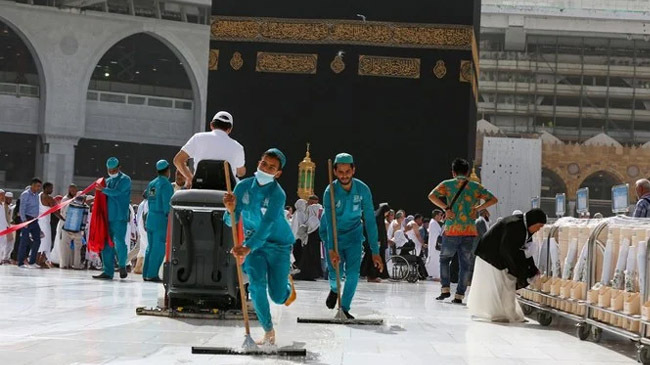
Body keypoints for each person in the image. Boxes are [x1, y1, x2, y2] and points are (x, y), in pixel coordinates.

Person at [224, 148, 297, 345]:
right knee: (256, 285)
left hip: (278, 245)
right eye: (264, 164)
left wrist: (247, 247)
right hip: (254, 245)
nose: (266, 168)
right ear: (259, 163)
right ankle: (268, 331)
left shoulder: (277, 195)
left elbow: (267, 226)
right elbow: (231, 221)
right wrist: (229, 209)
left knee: (278, 296)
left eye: (271, 167)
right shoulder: (242, 188)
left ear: (278, 173)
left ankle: (287, 287)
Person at [322, 153, 384, 319]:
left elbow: (370, 220)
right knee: (335, 273)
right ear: (335, 171)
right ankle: (335, 289)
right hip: (333, 234)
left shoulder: (363, 190)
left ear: (353, 170)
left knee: (353, 273)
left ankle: (344, 308)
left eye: (347, 171)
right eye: (340, 172)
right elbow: (329, 222)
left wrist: (375, 251)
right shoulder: (330, 192)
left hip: (354, 236)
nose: (344, 175)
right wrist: (331, 248)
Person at [428, 158, 498, 304]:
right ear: (467, 172)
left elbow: (431, 196)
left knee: (445, 260)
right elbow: (493, 199)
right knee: (465, 264)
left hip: (452, 229)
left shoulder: (447, 184)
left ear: (453, 172)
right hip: (469, 231)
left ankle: (445, 289)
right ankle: (459, 295)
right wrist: (477, 209)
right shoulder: (475, 187)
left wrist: (446, 208)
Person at [467, 209, 547, 322]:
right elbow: (508, 250)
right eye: (539, 226)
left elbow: (526, 252)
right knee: (500, 286)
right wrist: (516, 271)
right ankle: (498, 314)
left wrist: (532, 269)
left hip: (500, 258)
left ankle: (508, 314)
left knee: (506, 285)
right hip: (491, 256)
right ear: (533, 221)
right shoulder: (514, 226)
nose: (538, 230)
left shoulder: (525, 228)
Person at [174, 111, 245, 188]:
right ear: (230, 129)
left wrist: (190, 178)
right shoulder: (238, 147)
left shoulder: (198, 138)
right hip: (226, 194)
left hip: (200, 189)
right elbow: (241, 173)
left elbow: (178, 160)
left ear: (211, 125)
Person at [93, 157, 132, 280]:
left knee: (119, 242)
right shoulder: (107, 181)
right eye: (110, 170)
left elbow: (117, 192)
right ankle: (108, 271)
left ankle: (122, 265)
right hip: (107, 218)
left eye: (114, 170)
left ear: (119, 168)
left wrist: (103, 190)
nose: (112, 172)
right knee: (106, 245)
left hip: (119, 217)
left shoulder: (125, 180)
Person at [142, 160, 173, 282]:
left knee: (150, 247)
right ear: (168, 170)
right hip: (161, 219)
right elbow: (167, 204)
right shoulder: (166, 185)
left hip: (151, 217)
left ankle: (146, 273)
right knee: (158, 248)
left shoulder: (152, 184)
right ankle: (152, 274)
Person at [294, 202, 324, 281]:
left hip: (311, 243)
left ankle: (311, 274)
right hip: (312, 243)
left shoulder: (312, 219)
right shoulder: (313, 219)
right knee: (310, 259)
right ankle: (310, 274)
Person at [17, 178, 43, 268]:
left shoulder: (36, 195)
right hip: (26, 219)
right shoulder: (25, 194)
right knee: (24, 241)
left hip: (34, 220)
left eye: (40, 186)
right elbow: (22, 209)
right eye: (37, 186)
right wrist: (24, 221)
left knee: (37, 240)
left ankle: (32, 262)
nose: (38, 188)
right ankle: (20, 262)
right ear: (32, 185)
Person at [37, 182, 60, 268]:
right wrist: (63, 219)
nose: (52, 190)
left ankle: (40, 261)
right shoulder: (49, 198)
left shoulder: (38, 196)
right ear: (45, 188)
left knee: (41, 242)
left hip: (39, 222)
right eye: (51, 188)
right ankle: (39, 261)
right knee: (46, 243)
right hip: (44, 223)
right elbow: (55, 211)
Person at [426, 209, 444, 281]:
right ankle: (435, 276)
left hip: (435, 246)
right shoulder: (433, 223)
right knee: (435, 260)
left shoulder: (434, 223)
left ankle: (436, 275)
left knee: (436, 260)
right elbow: (438, 235)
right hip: (435, 246)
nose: (441, 217)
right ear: (436, 216)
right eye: (440, 215)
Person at [0, 190, 10, 264]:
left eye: (3, 195)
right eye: (1, 195)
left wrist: (7, 226)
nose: (3, 197)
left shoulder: (2, 205)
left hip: (3, 229)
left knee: (3, 244)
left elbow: (3, 218)